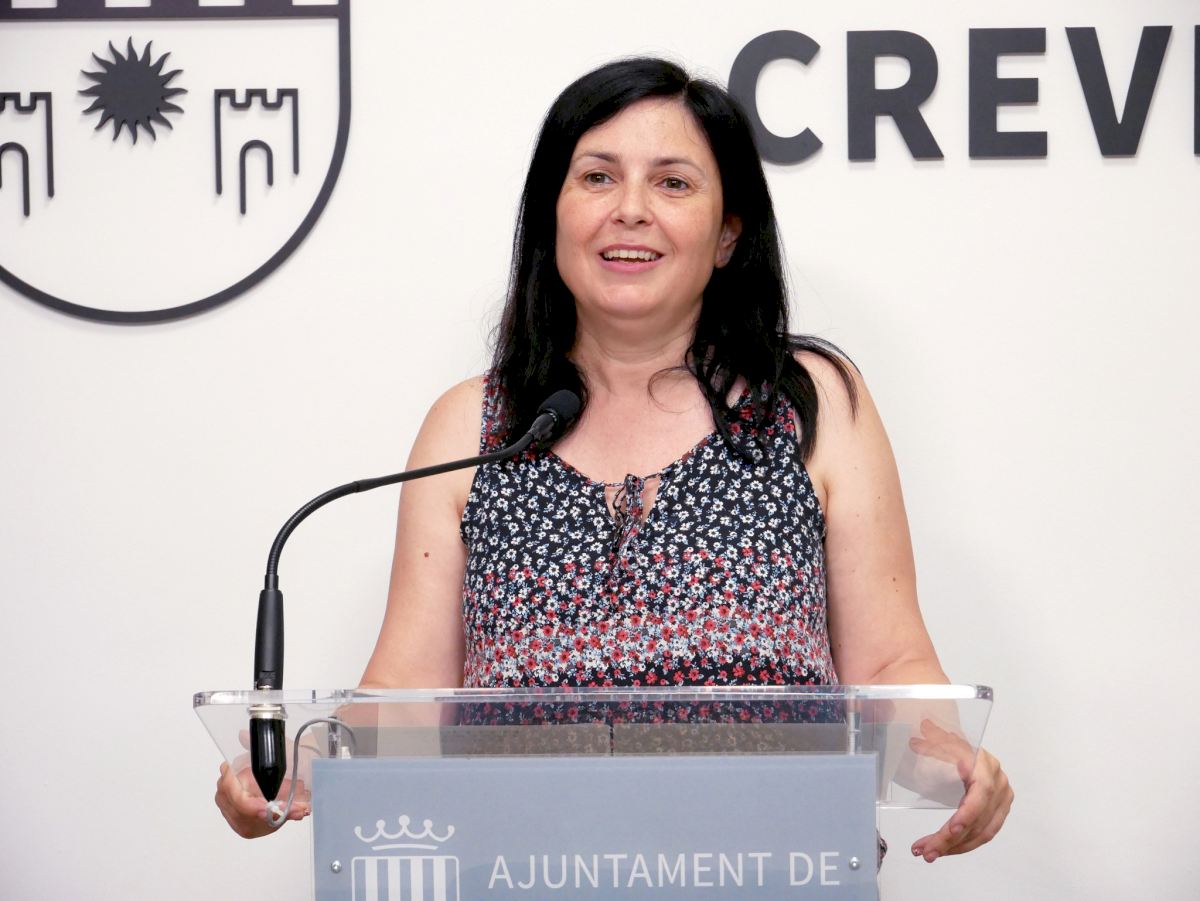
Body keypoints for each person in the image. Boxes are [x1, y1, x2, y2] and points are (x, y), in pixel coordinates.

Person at [216, 57, 1013, 858]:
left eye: (673, 183)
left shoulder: (813, 404)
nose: (630, 210)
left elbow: (890, 664)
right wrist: (307, 766)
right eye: (597, 177)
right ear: (553, 215)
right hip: (524, 868)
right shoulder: (471, 428)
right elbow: (405, 697)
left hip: (774, 862)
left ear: (728, 232)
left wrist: (953, 764)